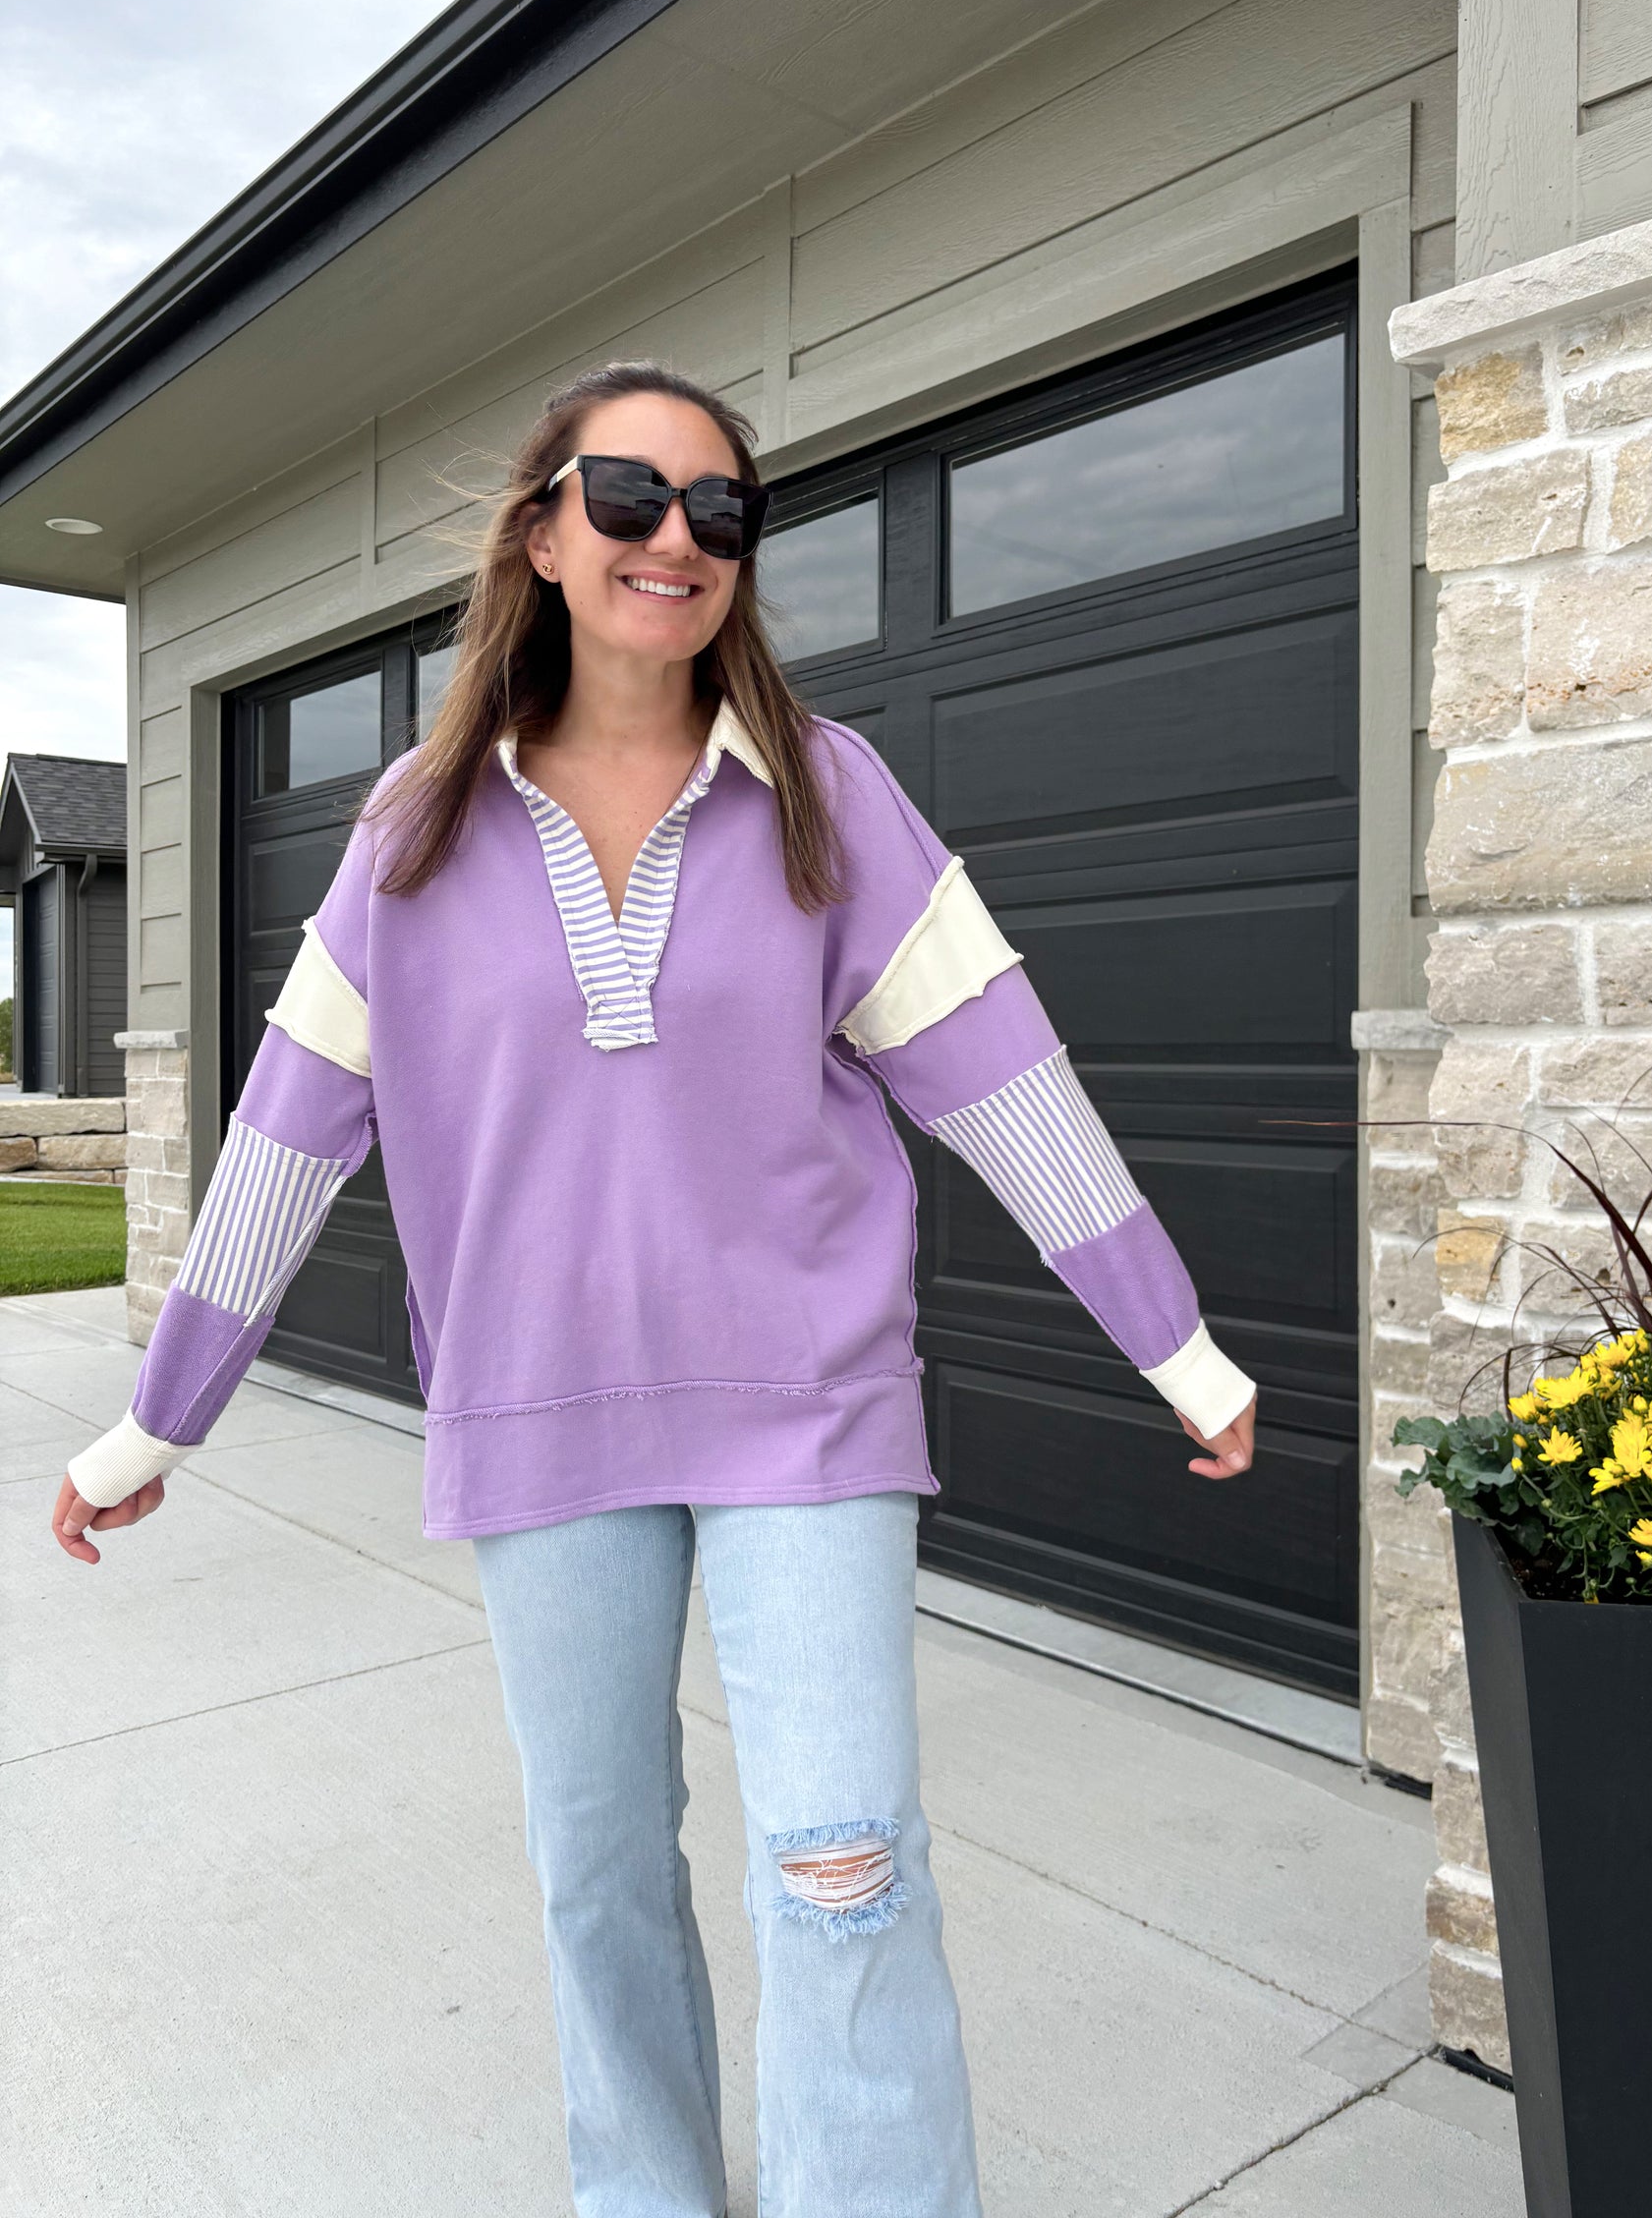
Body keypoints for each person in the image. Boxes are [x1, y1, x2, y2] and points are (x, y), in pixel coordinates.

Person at [51, 360, 1257, 2218]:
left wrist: (1171, 1340)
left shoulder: (823, 794)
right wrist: (159, 1421)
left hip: (810, 1410)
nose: (673, 539)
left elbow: (1006, 1080)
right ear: (542, 531)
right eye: (626, 497)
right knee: (601, 1872)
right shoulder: (417, 830)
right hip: (540, 1421)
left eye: (720, 509)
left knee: (843, 1857)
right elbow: (286, 1145)